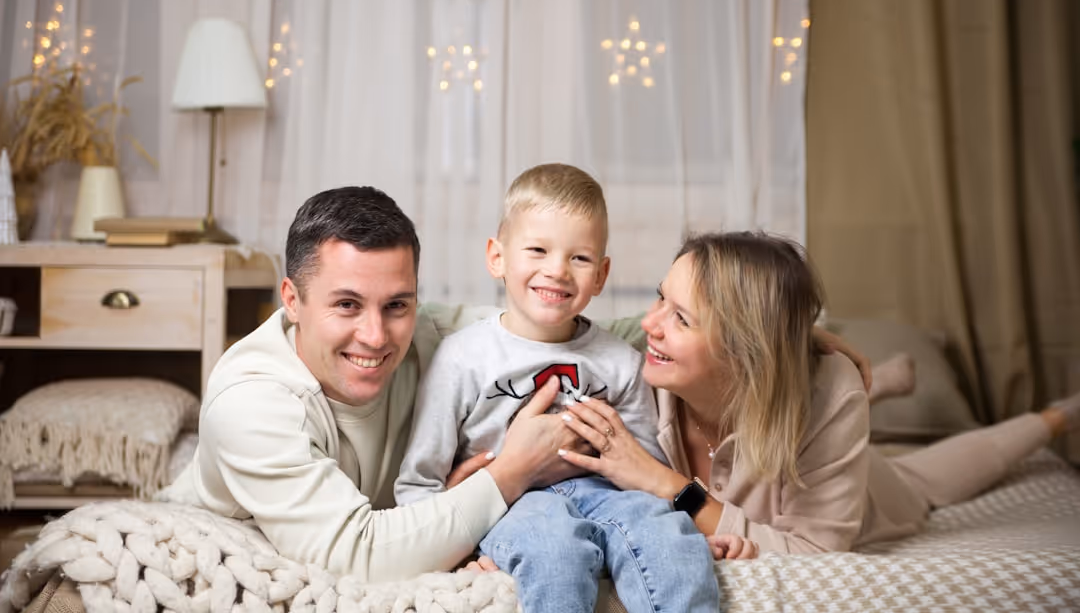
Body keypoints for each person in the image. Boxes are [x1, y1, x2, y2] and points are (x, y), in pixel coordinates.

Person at [556, 231, 1080, 558]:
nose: (651, 325)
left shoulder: (831, 396)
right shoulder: (635, 366)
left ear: (748, 352)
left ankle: (1056, 418)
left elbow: (815, 549)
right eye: (659, 299)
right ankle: (891, 381)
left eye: (681, 318)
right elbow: (534, 339)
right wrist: (807, 336)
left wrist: (667, 484)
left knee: (924, 481)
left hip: (866, 479)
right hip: (771, 390)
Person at [159, 186, 582, 583]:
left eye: (396, 305)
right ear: (292, 300)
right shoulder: (251, 400)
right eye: (347, 305)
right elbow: (359, 556)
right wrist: (514, 470)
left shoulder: (438, 340)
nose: (376, 336)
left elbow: (553, 336)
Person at [395, 164, 720, 613]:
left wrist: (681, 530)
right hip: (513, 504)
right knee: (555, 549)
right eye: (537, 250)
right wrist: (455, 550)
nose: (558, 270)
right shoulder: (461, 357)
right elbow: (419, 480)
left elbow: (644, 466)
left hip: (609, 494)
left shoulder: (621, 360)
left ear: (601, 275)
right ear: (497, 257)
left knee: (669, 539)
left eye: (579, 258)